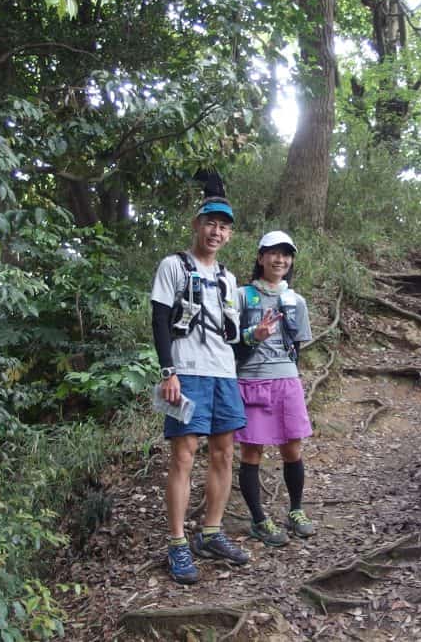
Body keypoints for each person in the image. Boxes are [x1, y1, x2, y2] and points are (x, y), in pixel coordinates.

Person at [150, 179, 250, 585]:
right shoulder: (172, 265)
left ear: (230, 233)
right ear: (197, 224)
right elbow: (159, 319)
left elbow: (233, 337)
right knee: (183, 455)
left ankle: (210, 532)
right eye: (211, 223)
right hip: (184, 372)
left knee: (224, 454)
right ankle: (176, 543)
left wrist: (253, 339)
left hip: (223, 373)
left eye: (224, 227)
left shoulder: (229, 278)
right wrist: (167, 371)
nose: (216, 232)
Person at [234, 231, 316, 547]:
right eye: (273, 253)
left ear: (291, 260)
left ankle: (296, 510)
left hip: (287, 379)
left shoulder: (296, 300)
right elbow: (230, 341)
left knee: (292, 447)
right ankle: (258, 519)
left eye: (286, 254)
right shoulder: (242, 296)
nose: (279, 259)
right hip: (251, 379)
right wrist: (254, 335)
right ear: (260, 258)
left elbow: (297, 345)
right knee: (252, 451)